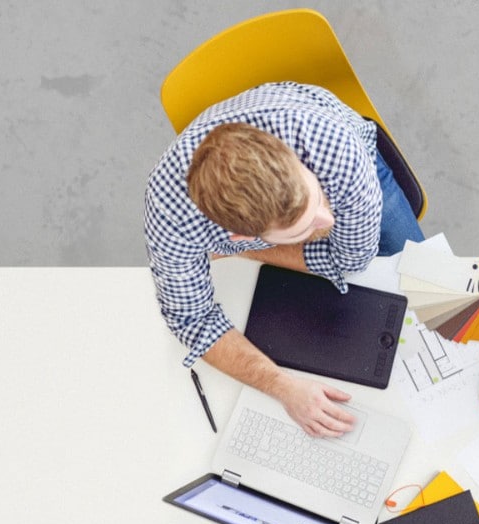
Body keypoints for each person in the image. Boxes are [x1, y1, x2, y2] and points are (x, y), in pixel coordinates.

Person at [145, 81, 423, 437]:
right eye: (303, 227)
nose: (328, 219)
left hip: (351, 151)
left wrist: (247, 252)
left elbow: (352, 259)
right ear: (243, 236)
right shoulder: (170, 219)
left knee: (422, 280)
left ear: (288, 155)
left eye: (315, 196)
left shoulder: (333, 148)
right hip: (238, 233)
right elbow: (194, 322)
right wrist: (284, 388)